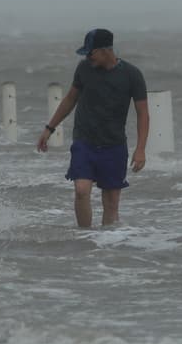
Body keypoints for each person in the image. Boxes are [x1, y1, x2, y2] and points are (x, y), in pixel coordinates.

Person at [37, 28, 149, 228]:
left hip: (114, 144)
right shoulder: (84, 69)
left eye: (91, 52)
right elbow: (70, 99)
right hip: (84, 141)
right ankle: (85, 238)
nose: (88, 57)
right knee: (81, 190)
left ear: (106, 50)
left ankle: (106, 247)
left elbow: (143, 114)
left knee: (111, 202)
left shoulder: (132, 75)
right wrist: (49, 128)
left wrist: (140, 149)